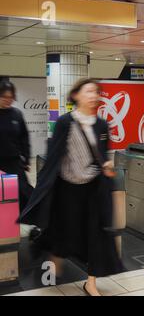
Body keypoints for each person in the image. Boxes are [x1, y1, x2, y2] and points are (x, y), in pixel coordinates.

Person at [18, 78, 123, 296]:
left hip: (93, 189)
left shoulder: (102, 125)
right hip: (67, 189)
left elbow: (103, 155)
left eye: (96, 92)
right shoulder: (65, 122)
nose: (93, 95)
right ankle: (55, 257)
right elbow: (55, 156)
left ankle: (91, 282)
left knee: (95, 234)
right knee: (63, 230)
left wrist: (107, 166)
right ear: (76, 95)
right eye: (89, 91)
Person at [0, 81, 33, 211]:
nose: (8, 100)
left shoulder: (16, 114)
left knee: (23, 191)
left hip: (14, 161)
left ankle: (27, 218)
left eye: (11, 97)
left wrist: (26, 159)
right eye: (4, 97)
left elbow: (24, 137)